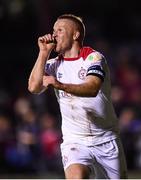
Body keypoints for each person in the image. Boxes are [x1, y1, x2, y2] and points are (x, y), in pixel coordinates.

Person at [28, 14, 128, 179]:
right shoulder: (53, 64)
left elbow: (92, 88)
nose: (54, 35)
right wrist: (43, 52)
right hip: (75, 141)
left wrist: (59, 84)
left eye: (60, 30)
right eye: (53, 30)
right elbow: (33, 87)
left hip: (106, 140)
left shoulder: (93, 58)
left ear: (75, 35)